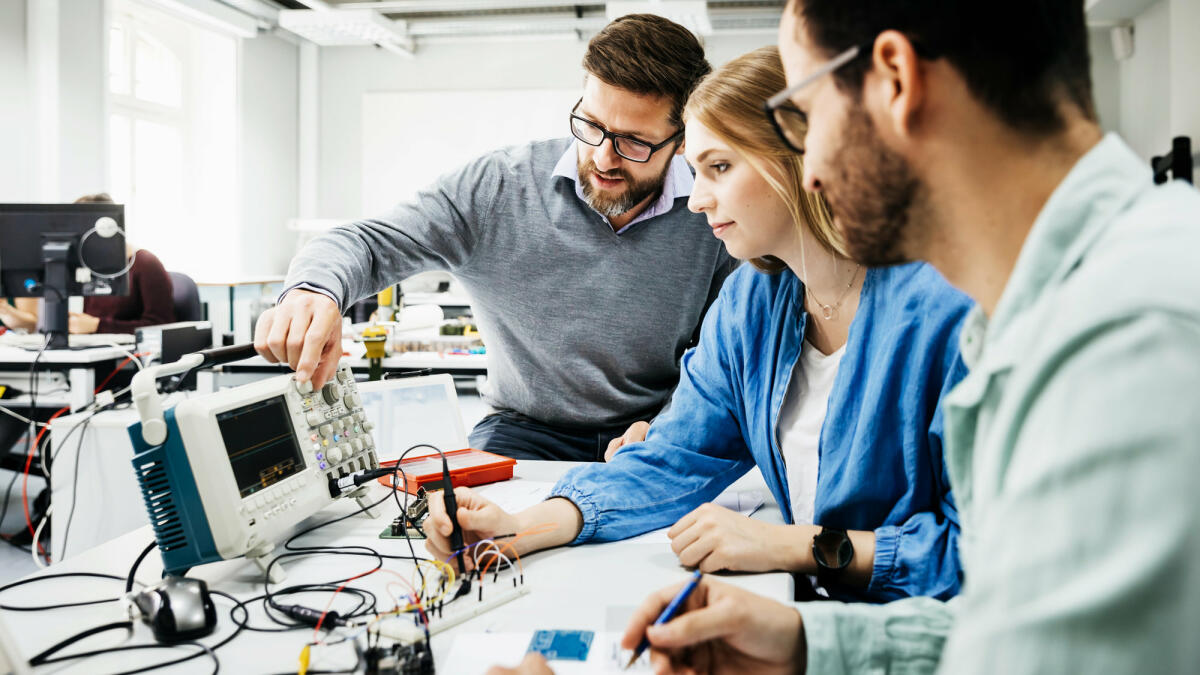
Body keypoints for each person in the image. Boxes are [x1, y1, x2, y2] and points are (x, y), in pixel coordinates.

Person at [593, 1, 1200, 674]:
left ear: (895, 79)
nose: (810, 165)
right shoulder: (1058, 305)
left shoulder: (1128, 336)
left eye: (804, 114)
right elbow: (1010, 625)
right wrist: (809, 645)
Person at [425, 46, 972, 606]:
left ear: (804, 157)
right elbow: (674, 458)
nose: (696, 200)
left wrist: (798, 547)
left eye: (720, 167)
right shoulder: (754, 302)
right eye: (696, 171)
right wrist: (520, 529)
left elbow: (978, 554)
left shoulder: (948, 310)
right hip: (815, 619)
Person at [253, 14, 736, 462]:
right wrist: (312, 290)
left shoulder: (713, 211)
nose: (604, 158)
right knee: (466, 539)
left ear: (682, 139)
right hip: (521, 429)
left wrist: (675, 422)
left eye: (634, 141)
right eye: (590, 125)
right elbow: (368, 242)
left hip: (655, 428)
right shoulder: (499, 187)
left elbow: (727, 352)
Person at [0, 194, 175, 335]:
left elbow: (163, 325)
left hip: (126, 360)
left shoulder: (144, 263)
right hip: (87, 350)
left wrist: (98, 326)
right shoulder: (81, 267)